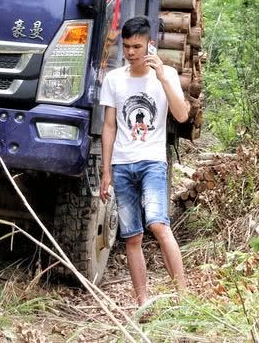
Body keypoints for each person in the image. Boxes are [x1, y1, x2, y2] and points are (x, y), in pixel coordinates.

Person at [99, 16, 191, 306]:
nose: (131, 52)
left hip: (152, 161)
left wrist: (163, 77)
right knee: (132, 237)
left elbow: (181, 115)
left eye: (137, 46)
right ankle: (142, 303)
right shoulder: (114, 79)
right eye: (126, 46)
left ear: (149, 44)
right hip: (122, 164)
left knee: (159, 225)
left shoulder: (168, 75)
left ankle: (184, 297)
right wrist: (105, 171)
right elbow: (109, 126)